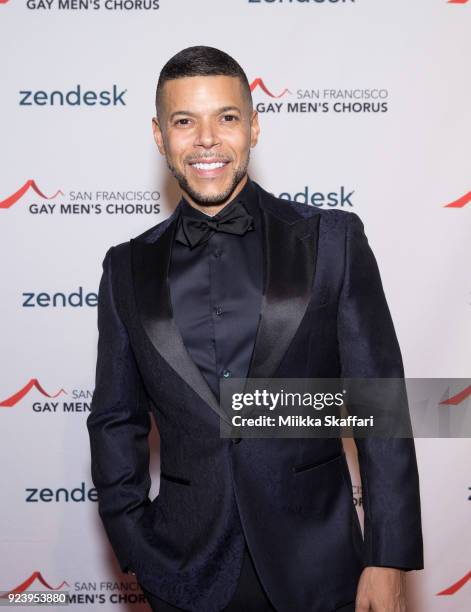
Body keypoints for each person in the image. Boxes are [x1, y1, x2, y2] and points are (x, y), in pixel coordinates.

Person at [86, 46, 423, 612]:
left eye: (227, 117)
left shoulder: (332, 241)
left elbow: (379, 405)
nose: (207, 139)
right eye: (184, 121)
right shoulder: (125, 266)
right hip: (182, 572)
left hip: (321, 567)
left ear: (255, 127)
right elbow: (115, 419)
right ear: (159, 136)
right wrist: (134, 541)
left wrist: (386, 557)